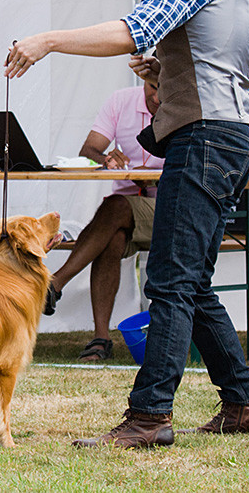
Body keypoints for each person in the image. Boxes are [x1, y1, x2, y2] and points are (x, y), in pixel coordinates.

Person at [6, 0, 249, 447]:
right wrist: (162, 70)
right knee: (191, 281)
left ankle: (149, 417)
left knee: (169, 280)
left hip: (206, 141)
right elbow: (215, 63)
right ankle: (245, 403)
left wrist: (48, 41)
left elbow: (133, 30)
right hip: (225, 138)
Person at [44, 82, 163, 362]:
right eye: (152, 87)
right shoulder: (121, 100)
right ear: (143, 78)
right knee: (113, 236)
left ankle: (55, 283)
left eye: (163, 87)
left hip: (168, 206)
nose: (157, 96)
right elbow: (89, 150)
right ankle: (101, 338)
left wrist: (153, 177)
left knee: (115, 205)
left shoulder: (184, 104)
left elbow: (194, 166)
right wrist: (106, 158)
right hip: (123, 214)